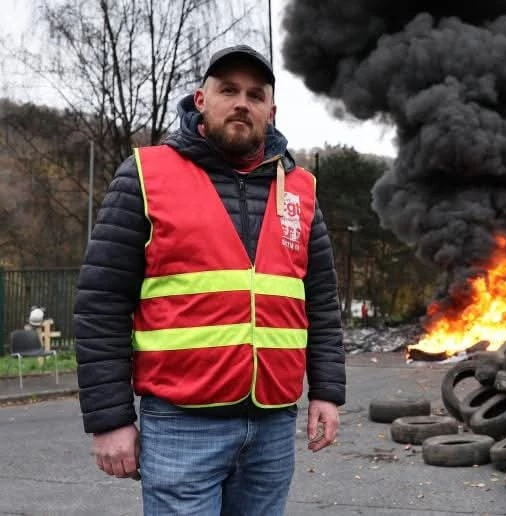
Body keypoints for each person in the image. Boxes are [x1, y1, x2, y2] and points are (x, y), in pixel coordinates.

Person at [73, 44, 346, 515]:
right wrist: (110, 420)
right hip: (181, 425)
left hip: (273, 426)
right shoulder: (145, 174)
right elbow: (101, 302)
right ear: (201, 99)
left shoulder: (299, 189)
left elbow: (319, 302)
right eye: (228, 90)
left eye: (255, 94)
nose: (242, 102)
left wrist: (326, 393)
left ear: (271, 110)